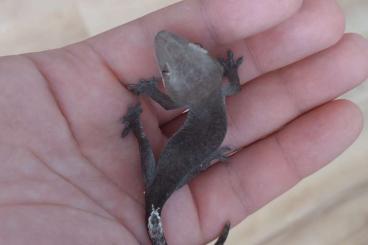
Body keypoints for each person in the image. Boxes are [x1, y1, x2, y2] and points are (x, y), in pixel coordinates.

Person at [0, 0, 367, 244]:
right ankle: (187, 163)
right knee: (158, 172)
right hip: (189, 161)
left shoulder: (185, 98)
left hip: (187, 164)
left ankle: (179, 160)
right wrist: (226, 71)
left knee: (151, 159)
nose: (171, 56)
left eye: (167, 68)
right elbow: (234, 87)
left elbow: (167, 97)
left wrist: (146, 92)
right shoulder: (217, 91)